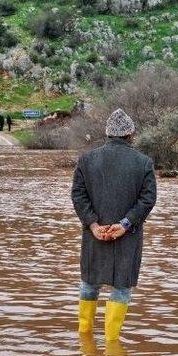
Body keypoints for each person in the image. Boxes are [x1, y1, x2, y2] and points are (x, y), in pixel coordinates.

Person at [71, 109, 157, 341]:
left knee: (89, 285)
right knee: (121, 288)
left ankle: (85, 340)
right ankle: (112, 345)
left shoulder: (86, 160)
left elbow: (78, 195)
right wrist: (125, 224)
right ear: (130, 134)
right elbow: (148, 199)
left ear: (108, 133)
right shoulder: (144, 162)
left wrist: (92, 224)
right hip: (127, 236)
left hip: (94, 235)